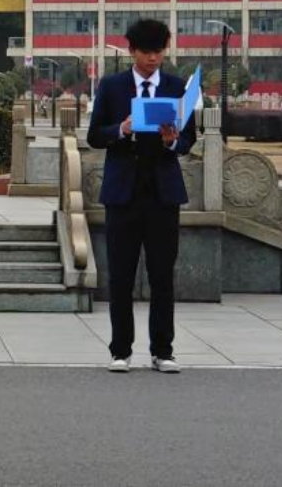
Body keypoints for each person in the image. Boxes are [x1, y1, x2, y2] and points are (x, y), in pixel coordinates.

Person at [87, 19, 197, 374]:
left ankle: (163, 351)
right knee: (120, 276)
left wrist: (172, 142)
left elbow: (188, 140)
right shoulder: (112, 86)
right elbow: (94, 136)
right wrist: (121, 129)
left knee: (162, 275)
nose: (153, 59)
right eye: (147, 52)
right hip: (123, 194)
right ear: (132, 51)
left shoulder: (176, 87)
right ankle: (120, 350)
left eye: (158, 52)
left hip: (163, 195)